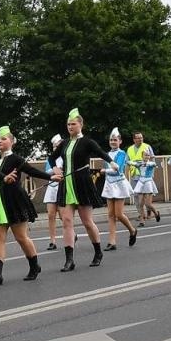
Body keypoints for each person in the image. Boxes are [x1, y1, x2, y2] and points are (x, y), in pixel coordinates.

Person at [0, 125, 50, 284]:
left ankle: (34, 266)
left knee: (21, 237)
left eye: (3, 139)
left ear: (12, 142)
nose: (0, 141)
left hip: (15, 201)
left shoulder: (16, 159)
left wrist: (51, 177)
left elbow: (32, 171)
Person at [53, 109, 109, 270]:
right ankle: (69, 260)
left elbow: (101, 153)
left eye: (73, 124)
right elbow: (52, 158)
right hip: (66, 184)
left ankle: (98, 252)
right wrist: (56, 168)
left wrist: (112, 163)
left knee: (87, 221)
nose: (70, 127)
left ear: (81, 124)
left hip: (82, 183)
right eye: (68, 124)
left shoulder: (87, 142)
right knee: (66, 222)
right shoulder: (64, 143)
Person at [99, 128, 139, 250]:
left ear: (120, 141)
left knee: (119, 214)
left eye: (115, 140)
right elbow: (108, 170)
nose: (113, 142)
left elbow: (118, 170)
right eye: (111, 140)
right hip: (109, 184)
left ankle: (132, 230)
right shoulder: (106, 154)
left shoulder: (122, 154)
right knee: (110, 214)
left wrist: (104, 171)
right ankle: (112, 242)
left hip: (119, 184)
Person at [127, 131, 159, 223]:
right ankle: (141, 216)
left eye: (141, 137)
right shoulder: (130, 149)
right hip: (135, 175)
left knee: (147, 199)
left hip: (147, 177)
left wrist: (151, 173)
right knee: (137, 197)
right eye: (138, 138)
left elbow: (153, 159)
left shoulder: (147, 146)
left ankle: (149, 212)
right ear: (134, 139)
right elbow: (128, 161)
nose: (140, 139)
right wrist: (127, 172)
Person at [42, 134, 64, 250]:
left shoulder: (65, 157)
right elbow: (47, 172)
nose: (56, 148)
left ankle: (71, 234)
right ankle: (52, 241)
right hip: (51, 187)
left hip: (62, 187)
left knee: (63, 215)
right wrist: (55, 170)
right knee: (51, 215)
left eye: (58, 146)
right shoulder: (50, 159)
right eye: (54, 147)